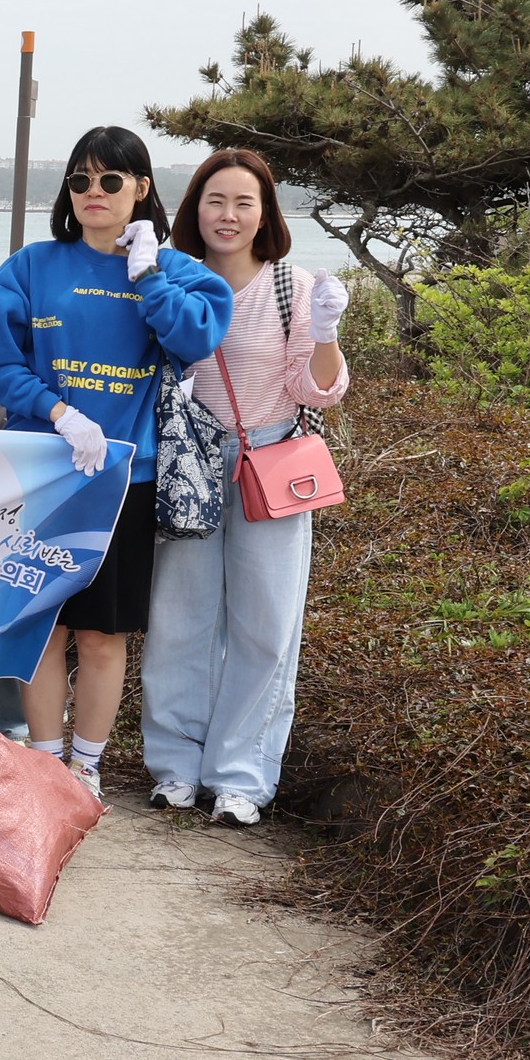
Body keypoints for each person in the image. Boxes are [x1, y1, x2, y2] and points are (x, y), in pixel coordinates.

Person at [0, 124, 234, 803]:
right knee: (41, 626)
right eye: (81, 180)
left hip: (127, 479)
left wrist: (147, 276)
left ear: (142, 189)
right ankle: (43, 759)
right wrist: (59, 412)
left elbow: (197, 338)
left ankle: (85, 767)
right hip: (42, 476)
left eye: (111, 180)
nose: (94, 192)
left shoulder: (180, 273)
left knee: (101, 633)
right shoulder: (31, 266)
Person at [140, 147, 349, 826]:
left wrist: (326, 331)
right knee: (179, 619)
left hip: (272, 458)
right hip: (189, 463)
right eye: (215, 201)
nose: (227, 215)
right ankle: (174, 766)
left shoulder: (291, 286)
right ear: (194, 210)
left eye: (243, 203)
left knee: (266, 625)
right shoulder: (174, 279)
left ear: (265, 215)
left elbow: (316, 389)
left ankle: (241, 775)